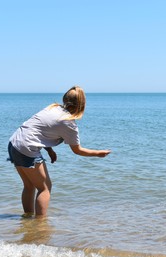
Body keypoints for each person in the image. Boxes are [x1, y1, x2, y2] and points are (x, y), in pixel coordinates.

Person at [8, 86, 111, 217]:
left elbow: (38, 130)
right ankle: (40, 225)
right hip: (27, 149)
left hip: (14, 143)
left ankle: (27, 219)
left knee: (29, 185)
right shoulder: (69, 123)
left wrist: (49, 150)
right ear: (81, 105)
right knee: (44, 188)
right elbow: (77, 150)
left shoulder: (52, 108)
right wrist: (99, 153)